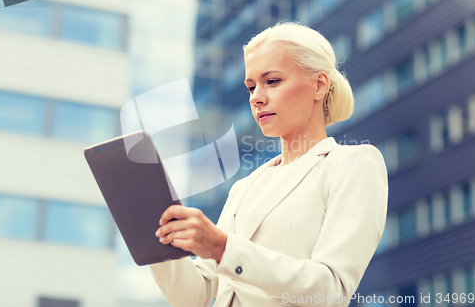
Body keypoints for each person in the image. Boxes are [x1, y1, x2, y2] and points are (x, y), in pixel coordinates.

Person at [150, 21, 389, 307]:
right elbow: (195, 294)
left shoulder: (353, 164)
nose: (256, 98)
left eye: (272, 81)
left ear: (319, 84)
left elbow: (330, 289)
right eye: (251, 87)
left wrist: (223, 247)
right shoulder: (245, 188)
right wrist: (150, 230)